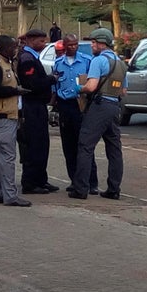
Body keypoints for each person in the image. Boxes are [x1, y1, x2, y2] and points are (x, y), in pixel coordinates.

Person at [68, 28, 128, 200]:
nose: (91, 45)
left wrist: (79, 88)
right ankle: (114, 189)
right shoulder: (121, 63)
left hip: (100, 105)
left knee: (85, 145)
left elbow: (92, 86)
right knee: (114, 148)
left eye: (94, 42)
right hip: (114, 106)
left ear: (102, 43)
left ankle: (81, 189)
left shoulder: (98, 61)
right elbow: (123, 91)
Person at [0, 35, 32, 207]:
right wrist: (16, 91)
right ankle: (11, 196)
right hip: (0, 116)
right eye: (14, 47)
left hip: (9, 115)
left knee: (2, 157)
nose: (16, 50)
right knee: (8, 157)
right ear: (4, 48)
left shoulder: (6, 63)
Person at [53, 34, 99, 194]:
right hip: (65, 106)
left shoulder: (86, 61)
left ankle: (91, 182)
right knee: (69, 145)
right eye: (69, 45)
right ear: (64, 46)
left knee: (85, 145)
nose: (73, 47)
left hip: (81, 105)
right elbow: (55, 85)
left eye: (75, 44)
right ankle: (75, 180)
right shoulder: (59, 63)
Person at [17, 29, 59, 194]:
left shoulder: (32, 56)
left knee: (43, 144)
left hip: (38, 106)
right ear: (31, 40)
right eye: (41, 42)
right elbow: (31, 84)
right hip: (31, 106)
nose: (44, 44)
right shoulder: (27, 59)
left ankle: (41, 179)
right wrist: (51, 79)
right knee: (34, 145)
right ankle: (31, 182)